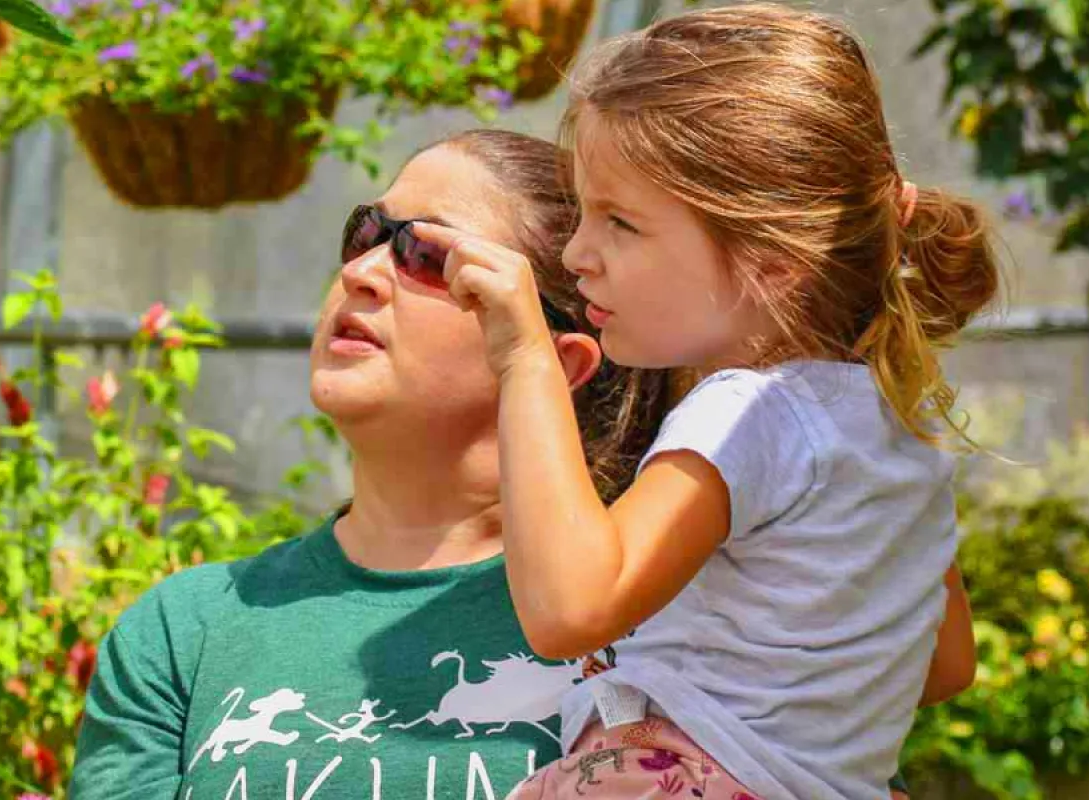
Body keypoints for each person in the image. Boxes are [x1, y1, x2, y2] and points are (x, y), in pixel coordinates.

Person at [417, 6, 989, 798]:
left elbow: (570, 611)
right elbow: (944, 664)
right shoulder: (899, 425)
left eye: (621, 222)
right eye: (583, 213)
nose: (578, 253)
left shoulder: (742, 415)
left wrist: (524, 361)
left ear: (774, 258)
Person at [68, 129, 673, 799]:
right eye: (366, 234)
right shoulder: (187, 629)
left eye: (428, 256)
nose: (361, 273)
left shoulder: (655, 624)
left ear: (557, 362)